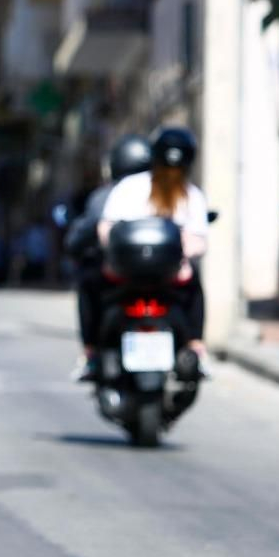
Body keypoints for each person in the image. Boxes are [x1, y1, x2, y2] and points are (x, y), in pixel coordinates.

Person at [99, 127, 211, 374]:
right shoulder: (137, 188)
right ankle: (196, 345)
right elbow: (107, 229)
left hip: (160, 276)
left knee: (194, 284)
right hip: (135, 274)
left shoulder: (187, 195)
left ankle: (195, 346)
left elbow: (106, 228)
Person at [67, 134, 152, 381]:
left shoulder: (105, 196)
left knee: (87, 284)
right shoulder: (164, 191)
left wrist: (74, 249)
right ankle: (195, 346)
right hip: (161, 278)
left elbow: (82, 234)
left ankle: (91, 353)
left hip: (118, 278)